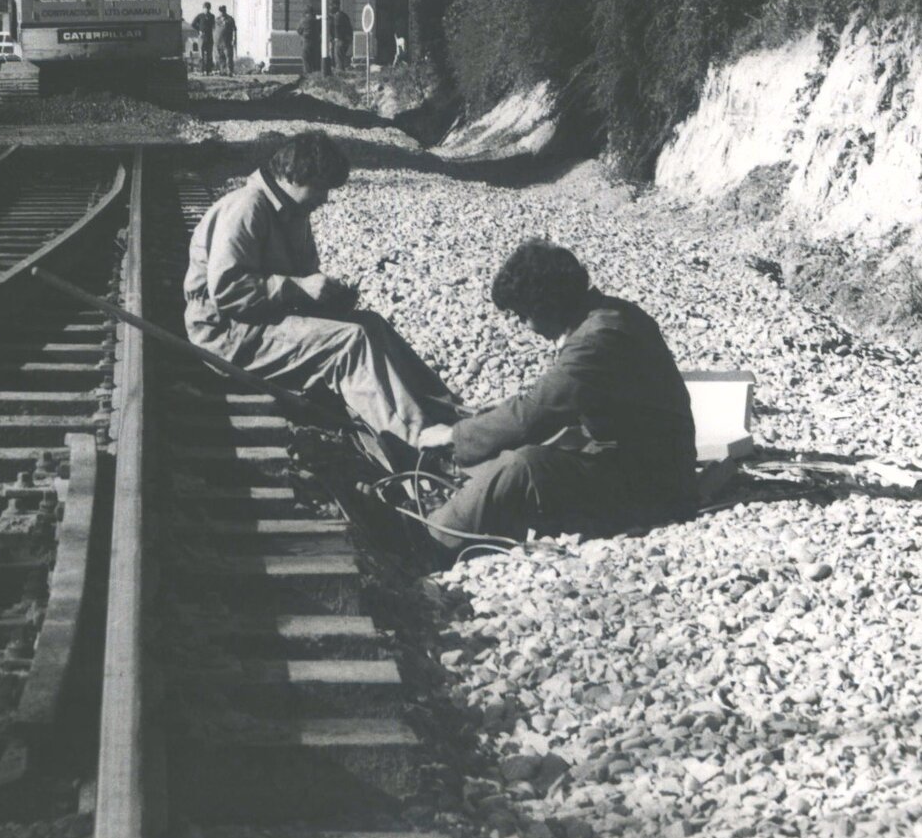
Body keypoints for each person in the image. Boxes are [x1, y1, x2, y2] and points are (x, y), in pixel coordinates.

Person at [185, 132, 462, 465]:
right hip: (229, 333)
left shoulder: (292, 213)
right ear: (293, 176)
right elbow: (227, 290)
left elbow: (300, 281)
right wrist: (298, 288)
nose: (325, 198)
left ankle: (450, 414)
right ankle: (420, 447)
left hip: (260, 320)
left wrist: (329, 299)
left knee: (371, 324)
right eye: (320, 187)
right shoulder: (247, 206)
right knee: (350, 342)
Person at [412, 239, 698, 552]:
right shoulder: (611, 315)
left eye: (523, 316)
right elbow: (559, 398)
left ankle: (427, 544)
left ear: (548, 306)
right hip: (646, 467)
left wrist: (454, 435)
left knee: (524, 466)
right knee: (520, 456)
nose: (523, 325)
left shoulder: (598, 337)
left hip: (652, 490)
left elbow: (536, 413)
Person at [192, 1, 217, 75]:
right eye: (205, 8)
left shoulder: (212, 16)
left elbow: (214, 25)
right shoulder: (200, 16)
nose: (207, 10)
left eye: (208, 8)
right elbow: (193, 24)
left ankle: (208, 71)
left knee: (209, 54)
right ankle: (202, 70)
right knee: (201, 55)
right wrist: (199, 30)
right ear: (203, 8)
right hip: (202, 36)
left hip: (209, 36)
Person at [214, 5, 237, 75]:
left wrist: (234, 38)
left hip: (227, 41)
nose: (221, 13)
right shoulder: (216, 19)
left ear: (225, 11)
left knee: (229, 56)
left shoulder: (230, 19)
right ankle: (222, 71)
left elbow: (234, 29)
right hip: (218, 41)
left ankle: (230, 71)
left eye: (223, 11)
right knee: (220, 57)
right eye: (220, 11)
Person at [332, 6, 353, 72]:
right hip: (346, 40)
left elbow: (337, 28)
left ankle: (340, 72)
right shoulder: (344, 15)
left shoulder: (337, 17)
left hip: (340, 40)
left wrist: (336, 38)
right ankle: (341, 70)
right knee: (341, 57)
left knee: (339, 58)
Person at [302, 6, 322, 74]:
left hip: (307, 42)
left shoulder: (304, 20)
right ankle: (316, 74)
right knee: (316, 60)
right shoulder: (317, 21)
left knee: (307, 60)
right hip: (316, 43)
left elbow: (299, 30)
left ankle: (308, 74)